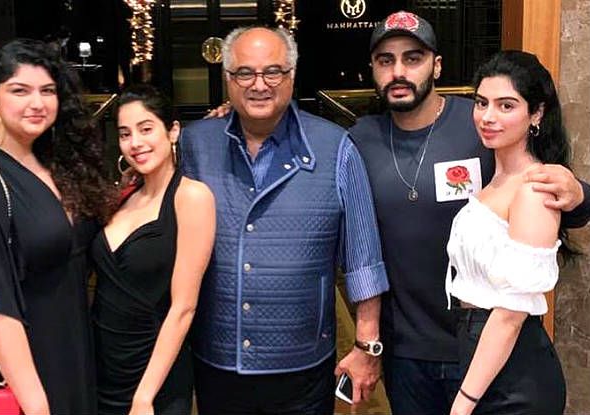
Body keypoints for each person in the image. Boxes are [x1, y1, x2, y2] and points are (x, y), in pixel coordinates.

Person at [350, 10, 590, 415]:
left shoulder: (482, 123)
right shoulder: (360, 140)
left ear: (436, 65)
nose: (399, 72)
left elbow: (547, 191)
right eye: (385, 60)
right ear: (373, 69)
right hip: (407, 351)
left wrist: (578, 192)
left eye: (413, 58)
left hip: (490, 345)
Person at [180, 26, 389, 414]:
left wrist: (366, 344)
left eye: (273, 71)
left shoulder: (335, 146)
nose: (259, 85)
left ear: (291, 76)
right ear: (228, 79)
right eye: (245, 73)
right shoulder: (196, 144)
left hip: (303, 363)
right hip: (218, 358)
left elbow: (364, 258)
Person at [0, 38, 115, 415]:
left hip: (70, 355)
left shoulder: (54, 163)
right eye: (19, 90)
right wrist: (36, 405)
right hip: (22, 378)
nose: (37, 103)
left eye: (47, 91)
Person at [445, 50, 571, 415]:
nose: (488, 117)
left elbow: (510, 315)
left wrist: (463, 403)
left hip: (516, 373)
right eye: (481, 102)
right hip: (480, 352)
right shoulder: (495, 178)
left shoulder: (534, 188)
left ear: (537, 113)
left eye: (506, 106)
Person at [90, 84, 215, 415]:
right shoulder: (124, 195)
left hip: (153, 376)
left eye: (146, 129)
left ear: (172, 131)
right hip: (103, 368)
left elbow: (184, 307)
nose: (135, 143)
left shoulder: (192, 197)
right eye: (125, 134)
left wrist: (144, 396)